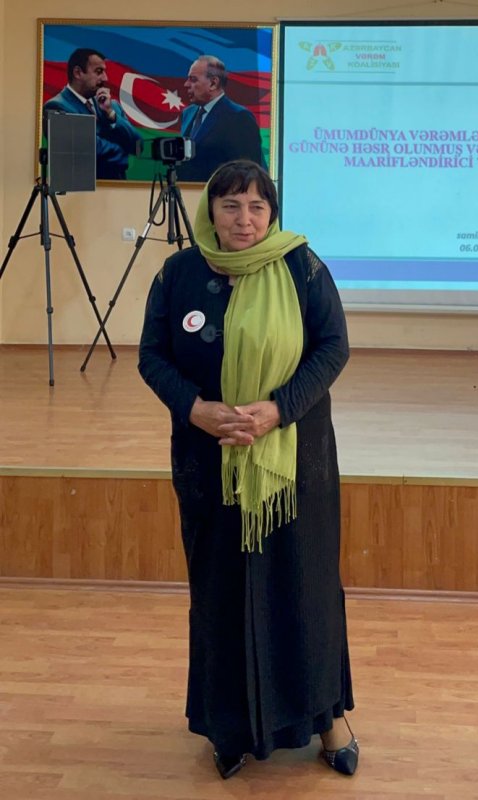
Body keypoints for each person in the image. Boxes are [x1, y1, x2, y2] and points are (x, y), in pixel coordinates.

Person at [138, 160, 357, 778]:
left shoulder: (303, 268)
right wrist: (196, 409)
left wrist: (279, 409)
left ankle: (329, 719)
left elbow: (333, 348)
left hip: (294, 463)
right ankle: (227, 725)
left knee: (306, 585)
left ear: (272, 213)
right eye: (231, 205)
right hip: (208, 462)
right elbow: (152, 356)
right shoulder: (179, 273)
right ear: (210, 211)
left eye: (258, 206)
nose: (245, 219)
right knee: (220, 590)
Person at [43, 48, 141, 180]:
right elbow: (91, 150)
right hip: (82, 189)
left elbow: (138, 146)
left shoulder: (112, 106)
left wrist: (111, 115)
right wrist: (124, 151)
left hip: (118, 189)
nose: (105, 78)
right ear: (78, 73)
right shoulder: (56, 107)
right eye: (99, 71)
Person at [175, 56, 266, 182]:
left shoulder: (239, 117)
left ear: (213, 83)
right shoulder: (188, 113)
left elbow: (248, 172)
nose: (186, 84)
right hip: (187, 191)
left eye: (193, 79)